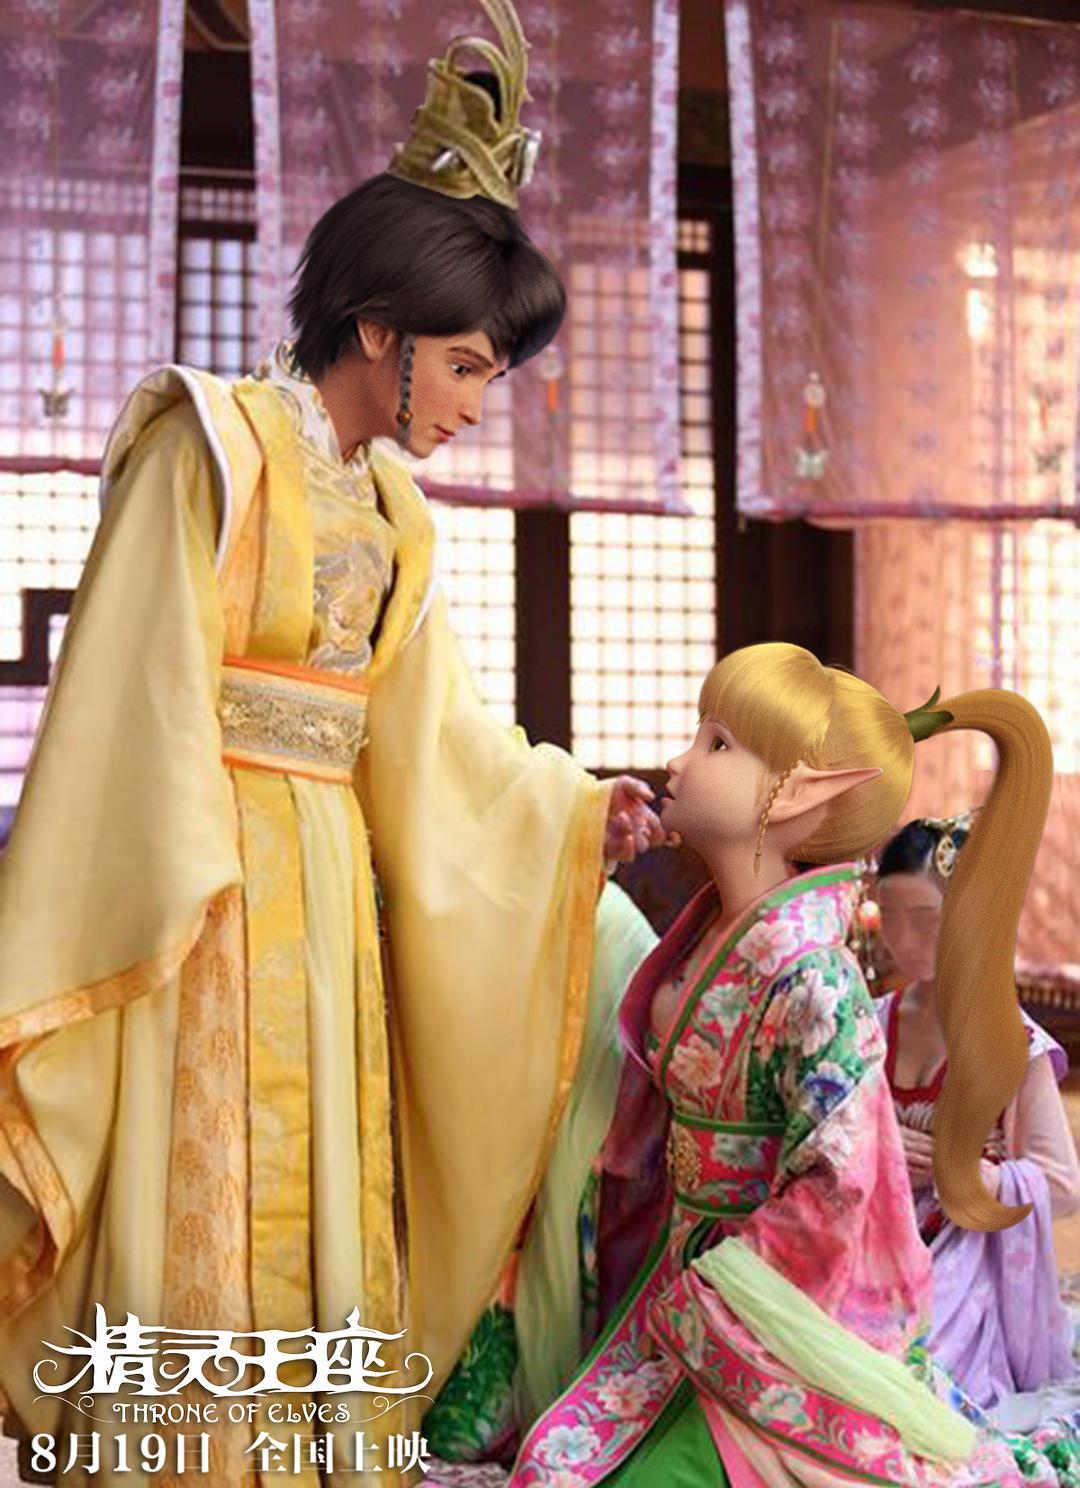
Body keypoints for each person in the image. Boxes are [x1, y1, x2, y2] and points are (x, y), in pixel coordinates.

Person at [0, 3, 663, 1483]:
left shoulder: (396, 513)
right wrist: (191, 882)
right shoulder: (210, 446)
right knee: (207, 1176)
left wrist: (569, 810)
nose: (478, 406)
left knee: (325, 1185)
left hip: (332, 893)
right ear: (378, 331)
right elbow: (130, 689)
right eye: (468, 366)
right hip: (202, 884)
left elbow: (433, 734)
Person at [510, 643, 1080, 1487]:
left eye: (716, 743)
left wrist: (727, 1290)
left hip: (771, 1307)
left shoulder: (814, 976)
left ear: (800, 792)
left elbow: (840, 1182)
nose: (680, 761)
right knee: (553, 1458)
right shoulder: (720, 937)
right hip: (685, 1270)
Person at [876, 814, 1080, 1411]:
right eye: (890, 917)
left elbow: (1062, 1184)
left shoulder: (1009, 1043)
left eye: (926, 920)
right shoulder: (868, 1020)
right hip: (870, 1231)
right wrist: (873, 1144)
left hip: (961, 1262)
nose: (905, 939)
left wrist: (964, 1174)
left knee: (900, 1379)